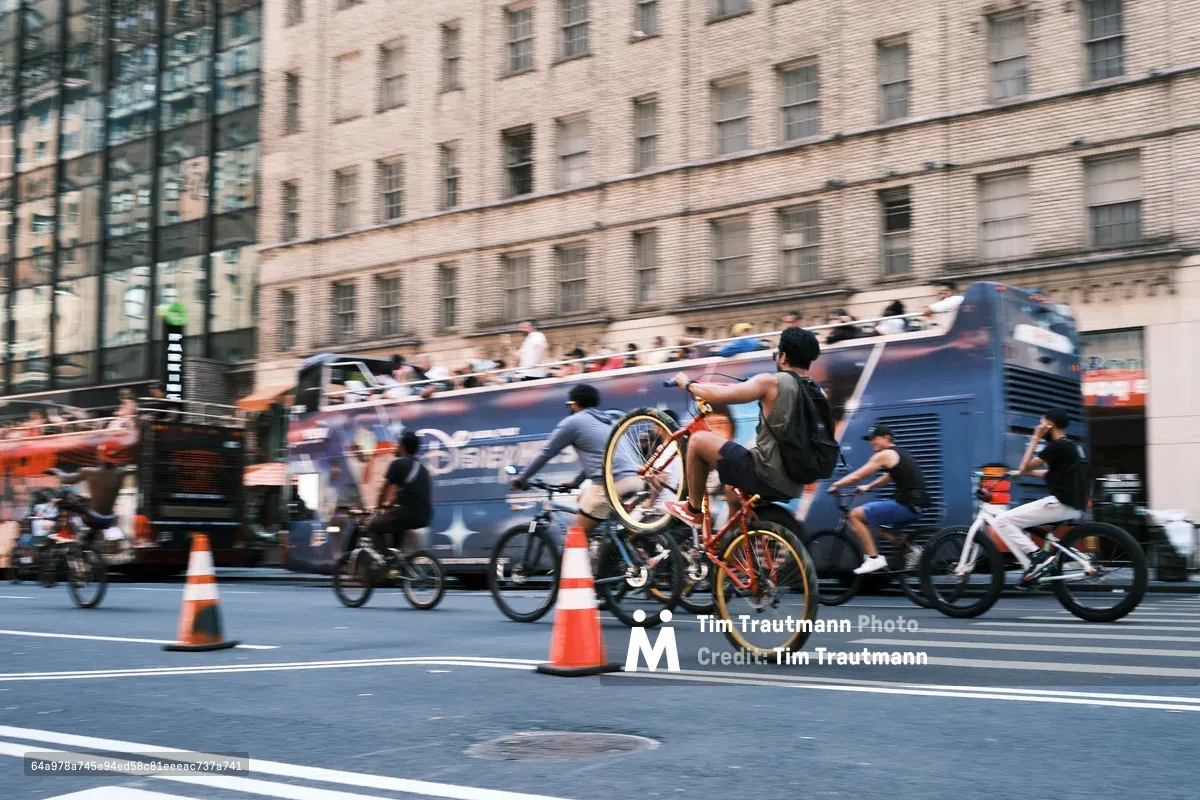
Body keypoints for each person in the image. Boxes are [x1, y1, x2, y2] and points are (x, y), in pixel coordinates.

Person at [662, 326, 823, 527]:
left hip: (768, 475)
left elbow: (721, 395)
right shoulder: (817, 392)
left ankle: (693, 509)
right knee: (732, 490)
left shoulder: (771, 382)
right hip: (794, 483)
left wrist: (688, 385)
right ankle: (735, 548)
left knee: (697, 440)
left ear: (783, 357)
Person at [510, 384, 641, 534]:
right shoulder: (609, 420)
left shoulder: (573, 422)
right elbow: (603, 457)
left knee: (576, 538)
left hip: (613, 483)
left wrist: (521, 479)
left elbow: (546, 453)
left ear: (574, 404)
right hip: (636, 479)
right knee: (590, 505)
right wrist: (575, 483)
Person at [995, 408, 1089, 586]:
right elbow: (1051, 473)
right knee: (1022, 521)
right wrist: (1020, 474)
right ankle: (1036, 571)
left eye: (1041, 423)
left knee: (1002, 521)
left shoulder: (1056, 445)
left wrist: (1036, 437)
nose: (1038, 426)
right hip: (1074, 505)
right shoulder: (1071, 446)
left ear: (1049, 425)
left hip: (1061, 503)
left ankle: (1037, 556)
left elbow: (1025, 466)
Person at [826, 423, 932, 575]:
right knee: (880, 529)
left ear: (886, 438)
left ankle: (874, 558)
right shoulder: (900, 453)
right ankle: (914, 551)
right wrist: (868, 487)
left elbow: (857, 476)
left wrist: (837, 484)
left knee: (855, 515)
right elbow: (888, 476)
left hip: (905, 504)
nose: (871, 442)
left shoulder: (885, 454)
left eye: (874, 438)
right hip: (917, 505)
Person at [44, 441, 135, 539]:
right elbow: (130, 469)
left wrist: (56, 471)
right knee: (82, 498)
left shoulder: (88, 472)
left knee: (65, 494)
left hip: (92, 517)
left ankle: (65, 531)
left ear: (100, 456)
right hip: (109, 518)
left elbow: (65, 479)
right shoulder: (121, 473)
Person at [368, 431, 432, 562]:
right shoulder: (422, 468)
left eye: (398, 445)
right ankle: (398, 566)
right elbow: (413, 492)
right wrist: (391, 504)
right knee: (396, 525)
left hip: (407, 512)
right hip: (425, 515)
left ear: (402, 447)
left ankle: (389, 559)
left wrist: (377, 508)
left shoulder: (398, 464)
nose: (396, 448)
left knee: (373, 527)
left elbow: (384, 490)